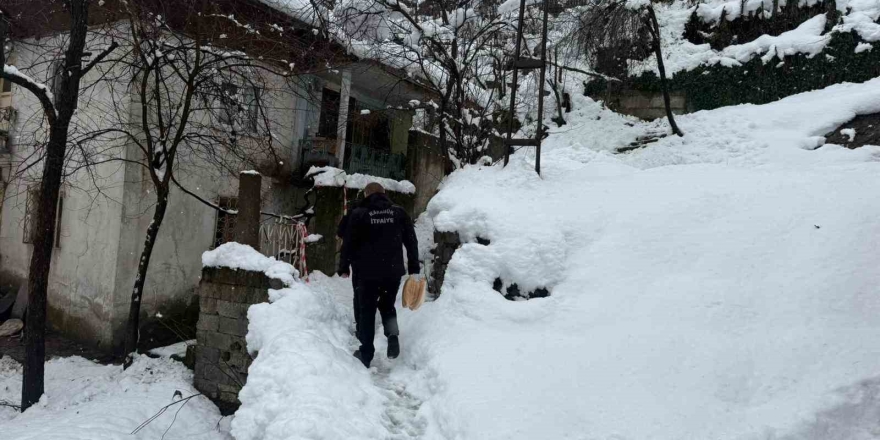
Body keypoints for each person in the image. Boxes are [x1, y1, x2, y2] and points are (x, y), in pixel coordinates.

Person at [338, 182, 419, 368]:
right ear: (384, 194)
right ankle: (392, 336)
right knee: (387, 305)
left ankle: (366, 353)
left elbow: (347, 242)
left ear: (366, 195)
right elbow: (411, 240)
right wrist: (414, 266)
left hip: (367, 272)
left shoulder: (359, 214)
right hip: (392, 271)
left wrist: (344, 266)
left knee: (366, 311)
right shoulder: (398, 212)